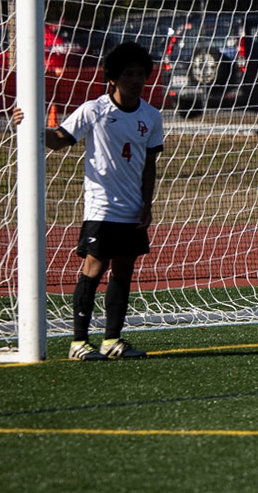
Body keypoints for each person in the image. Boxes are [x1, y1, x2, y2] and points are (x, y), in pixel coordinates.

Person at [17, 41, 164, 361]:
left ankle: (112, 339)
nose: (137, 80)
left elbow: (149, 164)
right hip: (101, 207)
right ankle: (78, 342)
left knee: (124, 270)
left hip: (132, 208)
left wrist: (147, 203)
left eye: (141, 73)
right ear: (112, 77)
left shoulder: (152, 116)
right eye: (129, 73)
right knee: (94, 268)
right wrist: (31, 126)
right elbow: (59, 141)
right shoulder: (94, 110)